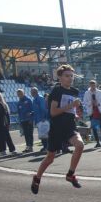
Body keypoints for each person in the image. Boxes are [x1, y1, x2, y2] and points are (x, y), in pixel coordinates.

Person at [31, 65, 84, 194]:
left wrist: (76, 114)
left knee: (80, 145)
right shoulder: (56, 91)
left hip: (70, 127)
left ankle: (70, 174)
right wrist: (71, 105)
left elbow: (71, 110)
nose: (70, 78)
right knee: (50, 158)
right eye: (67, 76)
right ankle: (37, 177)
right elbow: (53, 112)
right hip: (56, 128)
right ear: (59, 77)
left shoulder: (74, 91)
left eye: (71, 76)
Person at [82, 80, 101, 148]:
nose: (93, 86)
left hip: (100, 112)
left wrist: (98, 103)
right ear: (89, 85)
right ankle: (98, 142)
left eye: (94, 85)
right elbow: (84, 102)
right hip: (92, 113)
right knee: (94, 128)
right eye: (91, 85)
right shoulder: (87, 93)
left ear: (96, 85)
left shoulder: (100, 92)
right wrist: (91, 103)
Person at [31, 87, 49, 152]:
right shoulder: (34, 99)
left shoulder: (40, 98)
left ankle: (47, 147)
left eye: (32, 92)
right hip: (38, 119)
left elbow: (43, 109)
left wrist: (43, 117)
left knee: (45, 134)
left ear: (35, 92)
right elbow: (36, 110)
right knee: (42, 134)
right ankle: (45, 147)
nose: (31, 93)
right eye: (31, 92)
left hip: (42, 119)